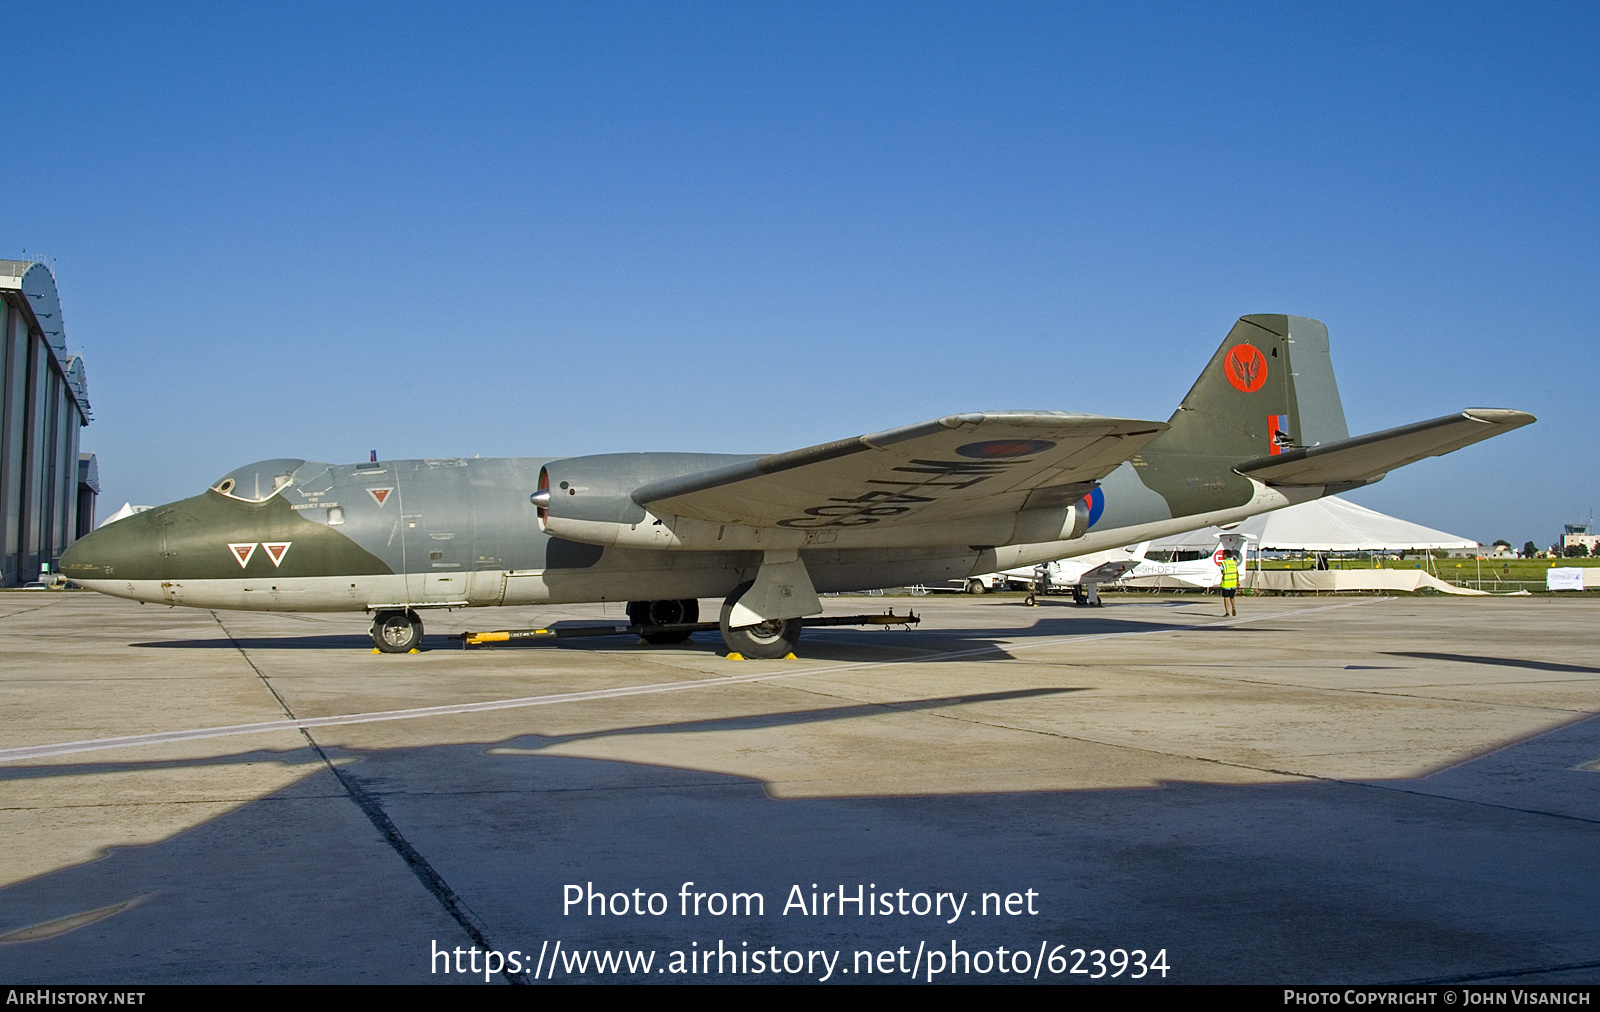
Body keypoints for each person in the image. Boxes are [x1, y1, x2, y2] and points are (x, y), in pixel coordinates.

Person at [1220, 550, 1240, 616]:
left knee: (1226, 597)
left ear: (1225, 555)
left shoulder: (1224, 563)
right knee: (1232, 597)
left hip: (1226, 583)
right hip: (1233, 582)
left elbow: (1222, 572)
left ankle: (1227, 612)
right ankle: (1233, 606)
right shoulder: (1234, 562)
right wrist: (1237, 581)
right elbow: (1237, 573)